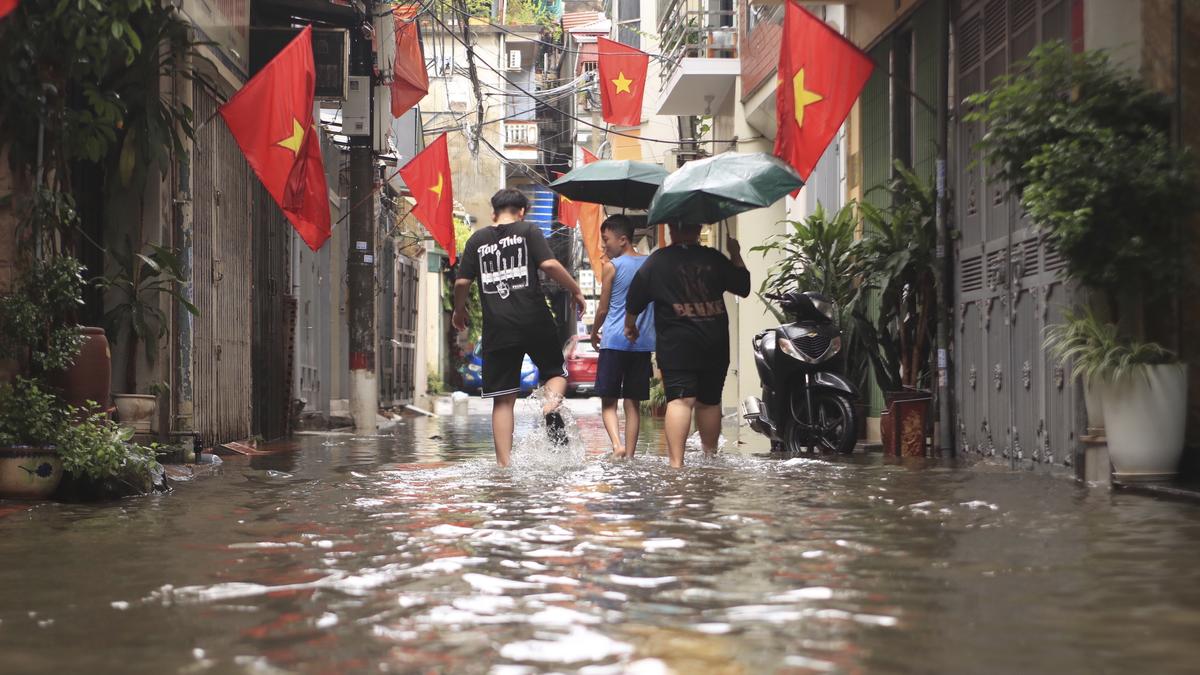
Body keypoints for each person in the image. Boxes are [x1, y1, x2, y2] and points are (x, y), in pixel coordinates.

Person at [453, 188, 586, 466]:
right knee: (555, 372)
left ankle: (504, 465)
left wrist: (459, 310)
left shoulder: (477, 239)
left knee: (502, 400)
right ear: (522, 211)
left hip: (498, 327)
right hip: (534, 318)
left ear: (493, 212)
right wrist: (575, 290)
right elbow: (549, 264)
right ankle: (550, 405)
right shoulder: (528, 230)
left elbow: (462, 282)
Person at [624, 222, 750, 468]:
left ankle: (676, 464)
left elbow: (634, 298)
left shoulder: (657, 262)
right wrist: (735, 253)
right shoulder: (714, 258)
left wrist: (630, 324)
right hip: (714, 341)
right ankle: (710, 458)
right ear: (698, 226)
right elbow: (743, 287)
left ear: (671, 227)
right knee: (709, 401)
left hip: (676, 343)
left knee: (680, 400)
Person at [590, 215, 655, 459]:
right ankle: (630, 454)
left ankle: (617, 444)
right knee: (632, 402)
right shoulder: (650, 264)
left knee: (608, 402)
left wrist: (594, 331)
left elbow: (603, 308)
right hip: (641, 344)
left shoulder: (612, 267)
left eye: (606, 240)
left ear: (623, 239)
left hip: (614, 341)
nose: (604, 246)